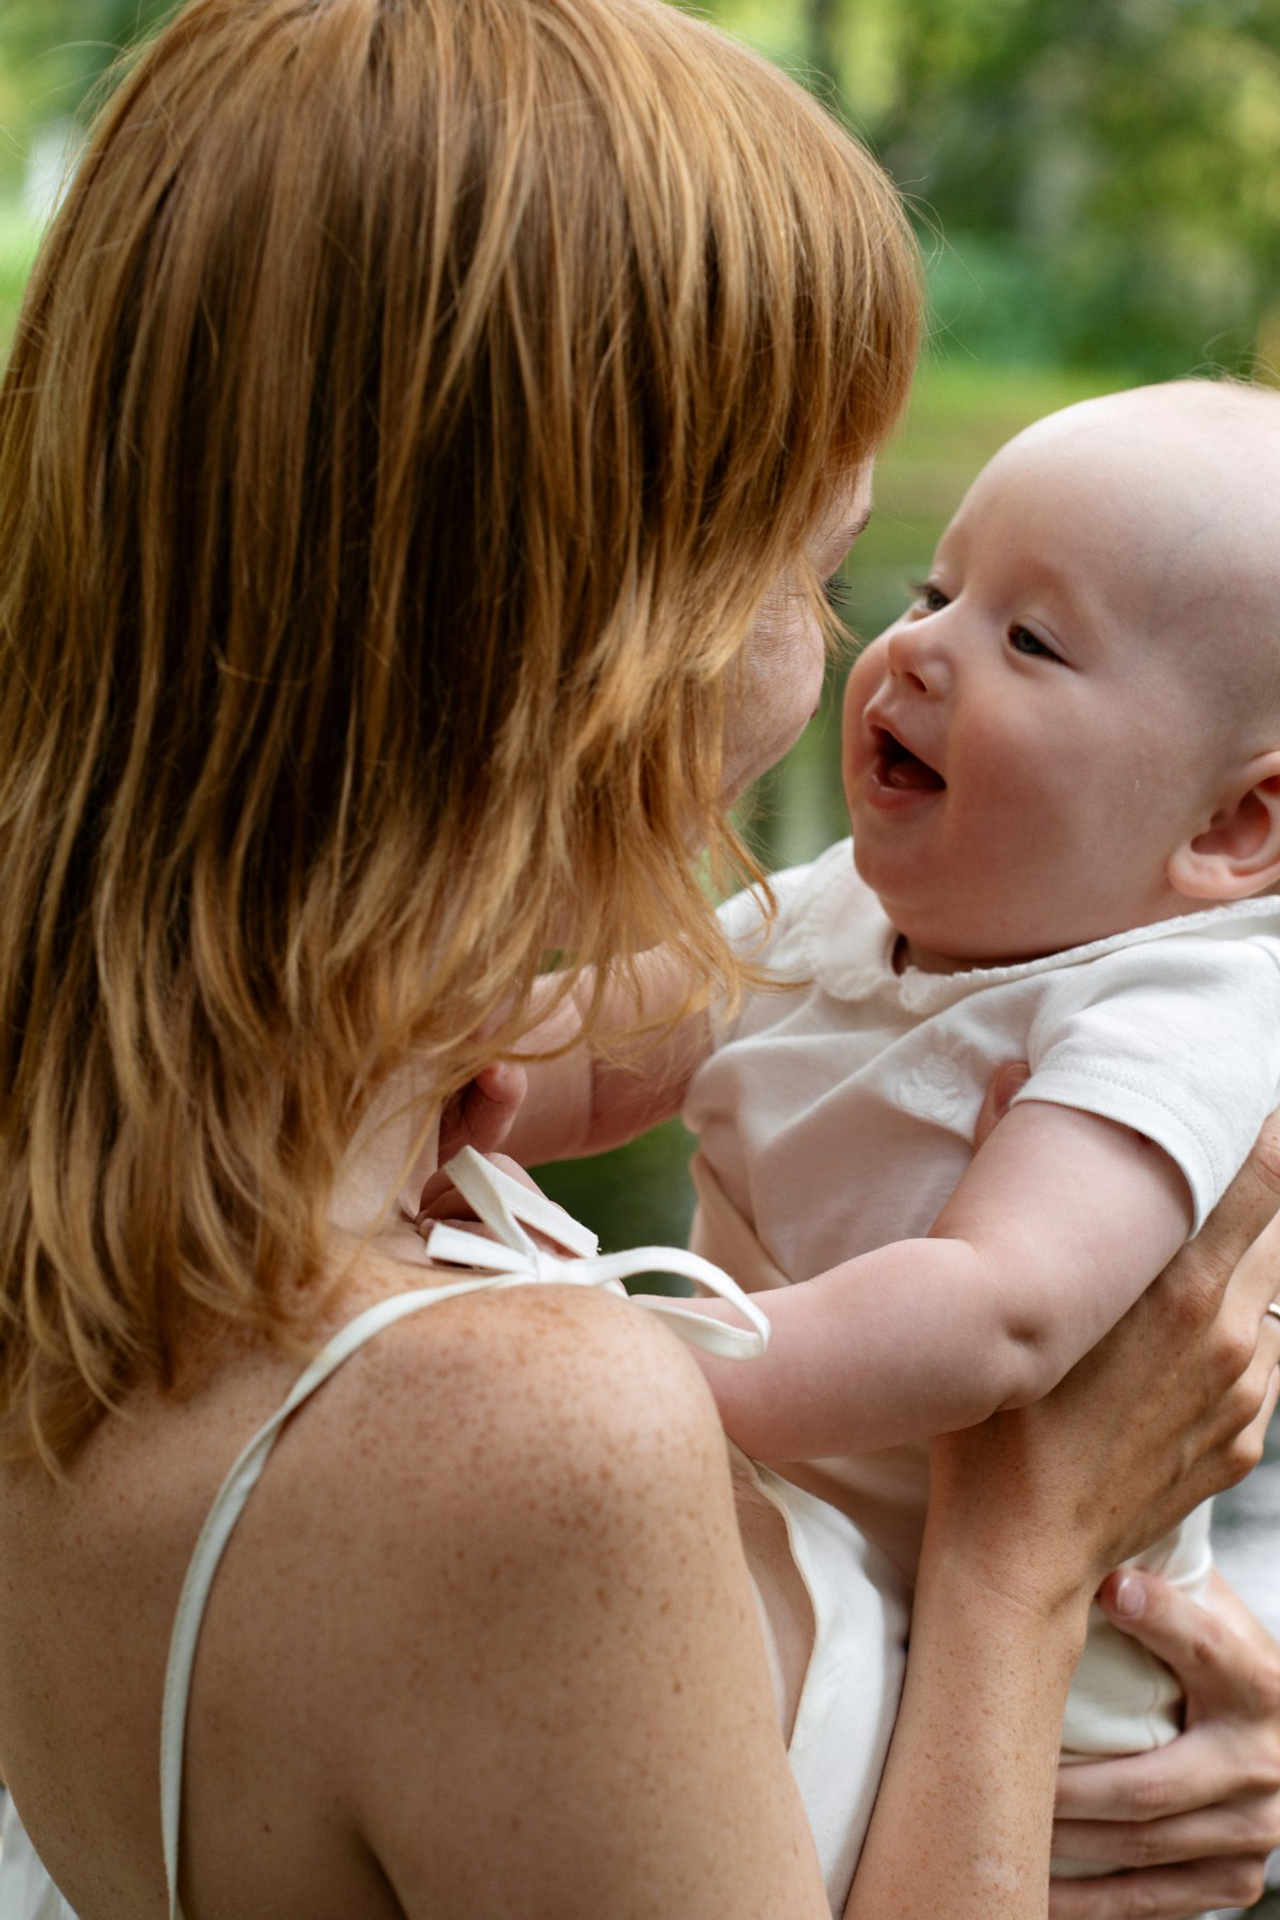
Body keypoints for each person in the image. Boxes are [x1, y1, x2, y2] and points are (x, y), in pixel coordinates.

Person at [0, 1, 1276, 1916]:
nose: (864, 656)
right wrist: (1022, 1575)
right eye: (836, 575)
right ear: (593, 629)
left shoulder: (164, 1165)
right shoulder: (538, 1440)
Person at [504, 379, 1280, 1859]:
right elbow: (624, 1036)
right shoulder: (858, 900)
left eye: (1031, 639)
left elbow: (994, 1313)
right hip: (799, 1543)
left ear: (1232, 829)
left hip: (1005, 1697)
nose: (918, 648)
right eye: (937, 589)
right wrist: (457, 1082)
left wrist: (629, 1385)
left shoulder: (1178, 1015)